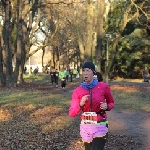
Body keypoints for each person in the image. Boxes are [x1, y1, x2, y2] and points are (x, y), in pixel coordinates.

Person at [69, 61, 115, 150]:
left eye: (88, 70)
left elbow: (111, 102)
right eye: (83, 71)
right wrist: (80, 104)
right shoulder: (78, 91)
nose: (85, 73)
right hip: (86, 128)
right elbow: (72, 113)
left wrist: (107, 106)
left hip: (100, 125)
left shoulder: (103, 87)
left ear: (93, 72)